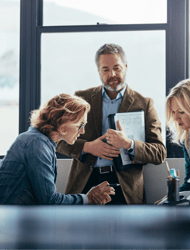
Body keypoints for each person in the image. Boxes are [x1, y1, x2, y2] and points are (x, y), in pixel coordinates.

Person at [56, 43, 166, 204]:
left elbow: (159, 153)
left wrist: (129, 144)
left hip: (126, 189)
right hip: (85, 183)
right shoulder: (81, 98)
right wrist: (88, 147)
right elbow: (58, 140)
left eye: (117, 67)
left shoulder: (144, 104)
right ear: (98, 71)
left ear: (126, 66)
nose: (112, 74)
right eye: (105, 69)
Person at [0, 94, 115, 205]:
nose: (82, 131)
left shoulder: (40, 141)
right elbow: (50, 201)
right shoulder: (37, 144)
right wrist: (87, 198)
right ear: (62, 123)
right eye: (79, 125)